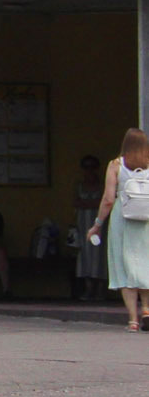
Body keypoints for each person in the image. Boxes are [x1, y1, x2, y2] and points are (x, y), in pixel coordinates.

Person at [87, 129, 149, 331]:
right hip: (146, 220)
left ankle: (133, 320)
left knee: (124, 267)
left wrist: (97, 224)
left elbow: (108, 199)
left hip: (123, 219)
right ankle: (147, 309)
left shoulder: (116, 165)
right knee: (145, 264)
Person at [73, 154, 107, 301]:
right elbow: (76, 202)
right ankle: (88, 289)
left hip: (100, 226)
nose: (89, 170)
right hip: (83, 225)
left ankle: (100, 290)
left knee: (101, 256)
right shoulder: (79, 185)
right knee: (85, 256)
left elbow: (104, 203)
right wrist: (93, 203)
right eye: (86, 167)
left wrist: (87, 203)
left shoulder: (102, 186)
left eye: (92, 167)